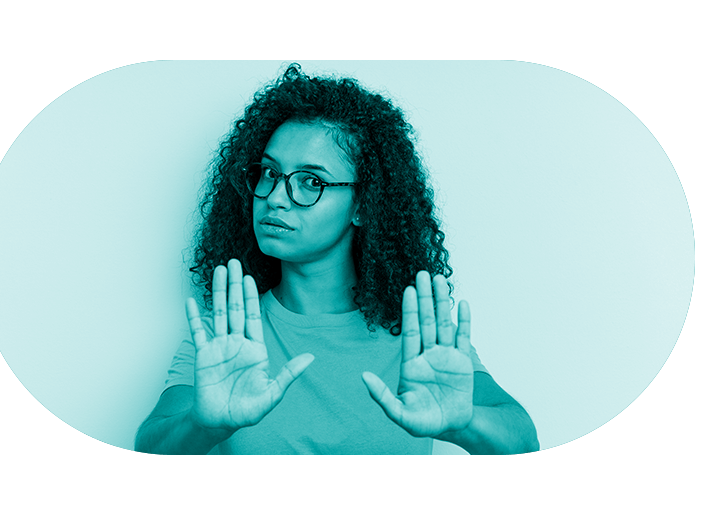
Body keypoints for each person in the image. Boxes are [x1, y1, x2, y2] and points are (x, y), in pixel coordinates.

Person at [135, 64, 539, 454]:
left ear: (363, 204)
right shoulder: (226, 331)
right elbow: (151, 443)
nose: (275, 197)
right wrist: (205, 426)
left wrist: (462, 423)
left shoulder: (418, 330)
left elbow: (522, 441)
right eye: (269, 173)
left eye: (312, 181)